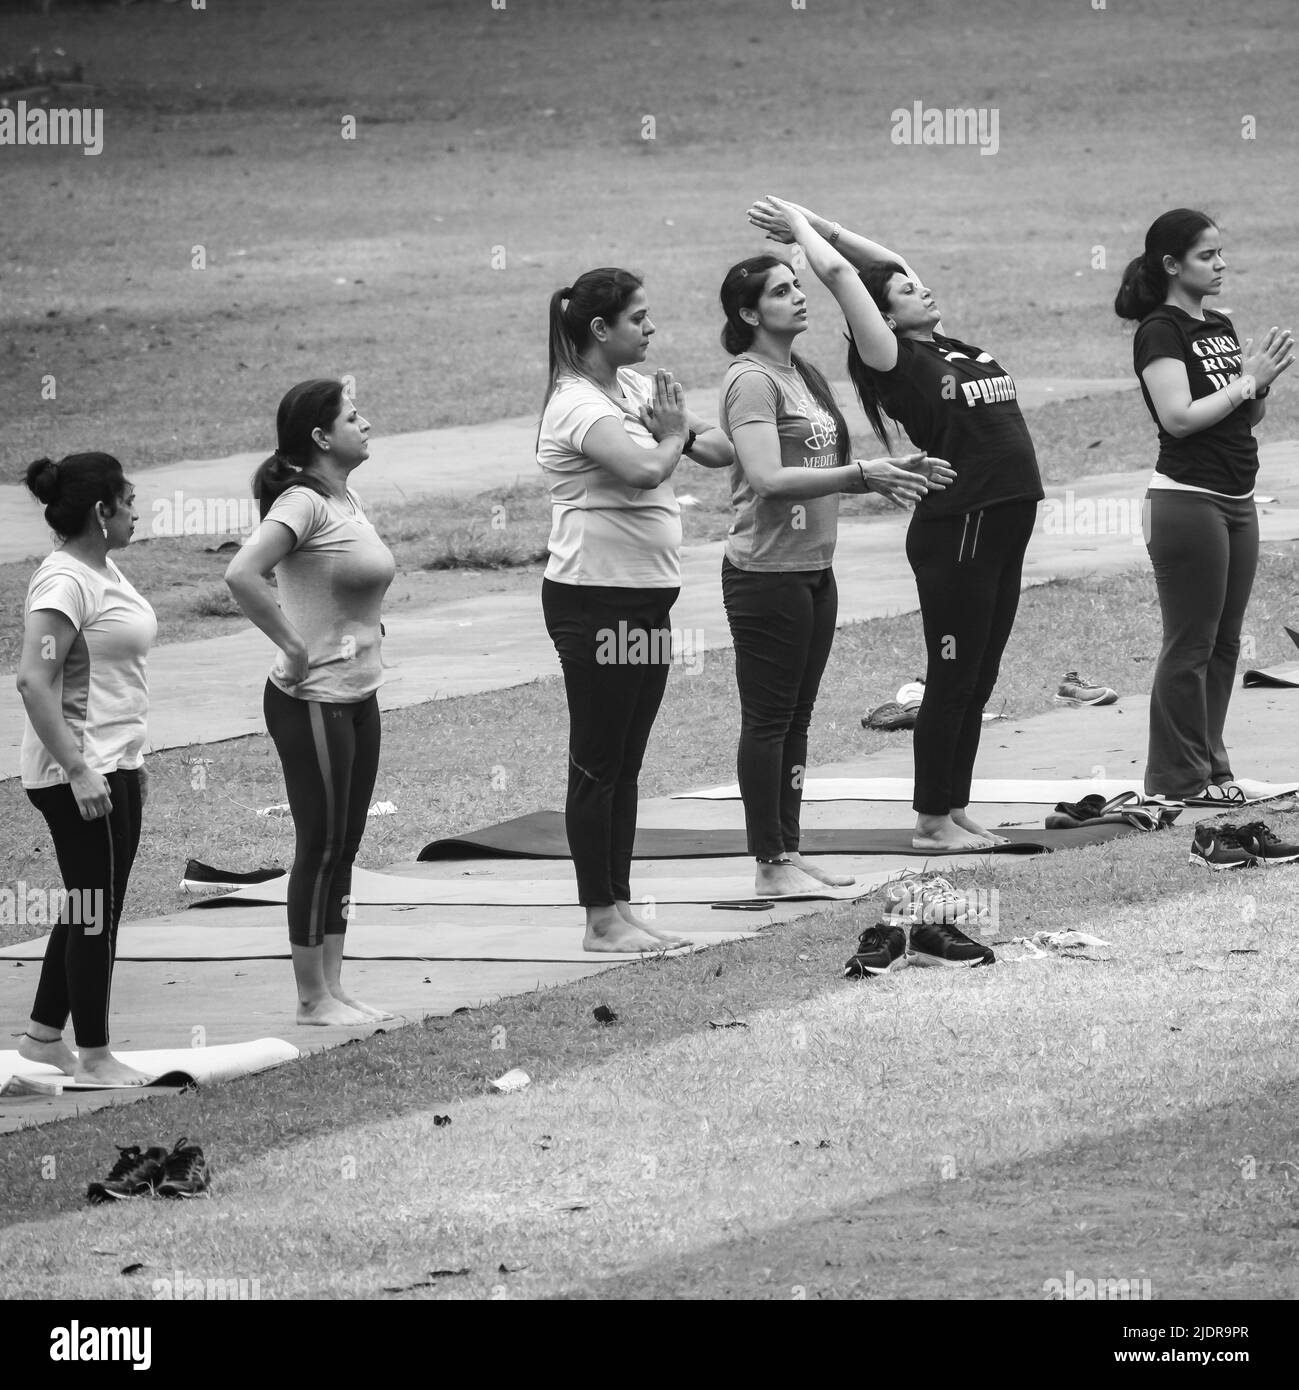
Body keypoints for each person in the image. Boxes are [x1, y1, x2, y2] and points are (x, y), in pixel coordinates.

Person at [749, 196, 1044, 856]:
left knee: (980, 676)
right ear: (882, 316)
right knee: (952, 677)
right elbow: (846, 278)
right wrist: (799, 232)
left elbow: (880, 262)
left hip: (1002, 521)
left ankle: (954, 808)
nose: (921, 285)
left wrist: (816, 220)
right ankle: (929, 822)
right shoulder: (892, 358)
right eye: (908, 290)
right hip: (957, 528)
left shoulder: (945, 344)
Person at [717, 249, 955, 897]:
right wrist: (862, 475)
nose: (798, 297)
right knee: (767, 722)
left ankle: (785, 854)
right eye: (779, 292)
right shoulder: (751, 380)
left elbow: (825, 471)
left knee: (796, 719)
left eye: (798, 286)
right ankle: (768, 863)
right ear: (747, 313)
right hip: (765, 573)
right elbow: (766, 480)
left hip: (813, 570)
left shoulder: (804, 374)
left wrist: (884, 477)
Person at [538, 267, 734, 953]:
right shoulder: (575, 404)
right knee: (596, 761)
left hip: (647, 604)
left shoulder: (636, 386)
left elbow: (718, 449)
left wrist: (678, 432)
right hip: (592, 604)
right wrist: (674, 436)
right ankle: (598, 921)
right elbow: (647, 469)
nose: (651, 328)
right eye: (639, 318)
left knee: (627, 761)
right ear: (600, 328)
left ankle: (620, 907)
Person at [225, 379, 396, 1025]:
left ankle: (334, 985)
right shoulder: (302, 502)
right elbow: (242, 573)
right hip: (312, 700)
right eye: (355, 417)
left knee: (346, 845)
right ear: (322, 437)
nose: (367, 424)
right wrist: (293, 646)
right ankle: (309, 999)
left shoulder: (345, 496)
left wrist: (366, 627)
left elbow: (342, 582)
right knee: (320, 845)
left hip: (357, 693)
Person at [1114, 209, 1294, 799]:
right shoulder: (1160, 330)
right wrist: (1246, 380)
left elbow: (1248, 413)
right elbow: (1179, 418)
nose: (1221, 264)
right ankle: (1175, 776)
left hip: (1238, 497)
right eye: (1206, 256)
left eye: (1221, 253)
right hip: (1187, 501)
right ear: (1171, 265)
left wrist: (1257, 383)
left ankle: (1214, 766)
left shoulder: (1216, 323)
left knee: (1225, 642)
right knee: (1190, 642)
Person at [16, 453, 155, 1085]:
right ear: (101, 512)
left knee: (90, 903)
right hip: (78, 772)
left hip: (113, 763)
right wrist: (77, 768)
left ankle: (45, 1037)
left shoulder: (103, 569)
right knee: (97, 907)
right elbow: (33, 679)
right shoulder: (63, 582)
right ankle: (96, 1056)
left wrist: (125, 761)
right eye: (128, 500)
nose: (136, 510)